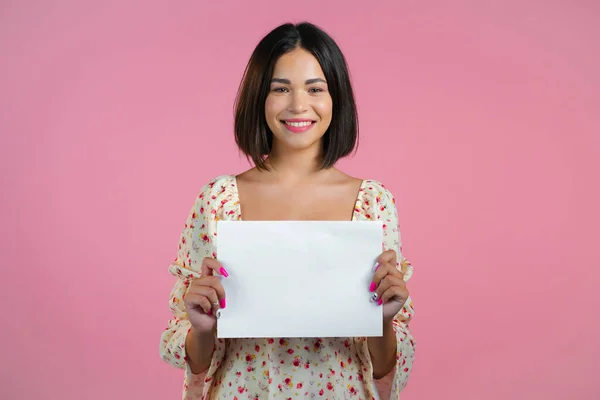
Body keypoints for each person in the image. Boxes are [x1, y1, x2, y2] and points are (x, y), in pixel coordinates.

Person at [159, 21, 416, 400]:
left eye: (315, 89)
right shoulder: (218, 200)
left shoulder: (373, 203)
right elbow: (194, 357)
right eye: (281, 88)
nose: (299, 105)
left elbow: (385, 369)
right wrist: (201, 328)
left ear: (336, 99)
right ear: (259, 98)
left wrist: (382, 321)